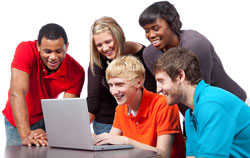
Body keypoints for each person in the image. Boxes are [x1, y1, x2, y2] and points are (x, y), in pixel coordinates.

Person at [139, 1, 248, 115]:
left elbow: (200, 91)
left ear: (171, 24)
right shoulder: (150, 54)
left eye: (156, 29)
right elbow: (164, 89)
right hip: (194, 114)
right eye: (147, 30)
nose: (151, 35)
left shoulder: (194, 44)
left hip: (232, 107)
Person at [154, 47, 250, 158]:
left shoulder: (212, 105)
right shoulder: (190, 113)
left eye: (161, 81)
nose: (158, 89)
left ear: (180, 76)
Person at [2, 23, 85, 146]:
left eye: (59, 51)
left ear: (66, 46)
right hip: (17, 121)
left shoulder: (77, 72)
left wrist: (51, 132)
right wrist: (26, 137)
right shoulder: (25, 50)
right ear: (38, 46)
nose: (53, 57)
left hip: (47, 120)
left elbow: (66, 111)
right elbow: (17, 93)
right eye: (47, 51)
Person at [94, 55, 185, 158]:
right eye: (111, 85)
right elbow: (111, 141)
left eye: (120, 84)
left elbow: (163, 154)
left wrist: (126, 141)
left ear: (138, 82)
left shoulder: (163, 105)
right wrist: (96, 140)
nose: (113, 91)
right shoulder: (121, 108)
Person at [87, 16, 155, 135]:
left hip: (141, 119)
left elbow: (152, 93)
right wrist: (77, 130)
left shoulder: (144, 55)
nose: (105, 48)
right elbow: (93, 101)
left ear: (118, 36)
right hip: (107, 123)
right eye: (99, 45)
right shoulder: (97, 60)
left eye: (108, 41)